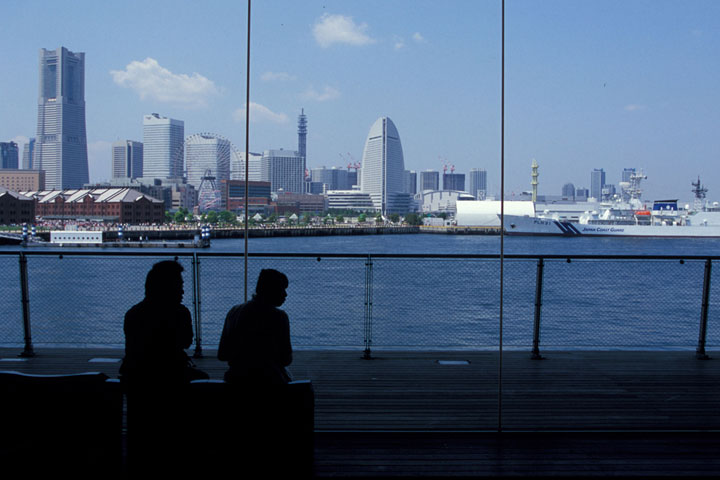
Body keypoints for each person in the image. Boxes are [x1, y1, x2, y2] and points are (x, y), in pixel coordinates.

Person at [119, 260, 207, 385]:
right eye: (179, 286)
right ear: (168, 288)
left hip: (136, 378)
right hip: (172, 375)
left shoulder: (133, 313)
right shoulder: (181, 313)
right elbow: (186, 342)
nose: (182, 291)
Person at [218, 268, 293, 385]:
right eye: (282, 289)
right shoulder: (279, 317)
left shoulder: (234, 312)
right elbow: (286, 359)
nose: (285, 294)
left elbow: (222, 354)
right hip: (270, 382)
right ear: (271, 290)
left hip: (236, 382)